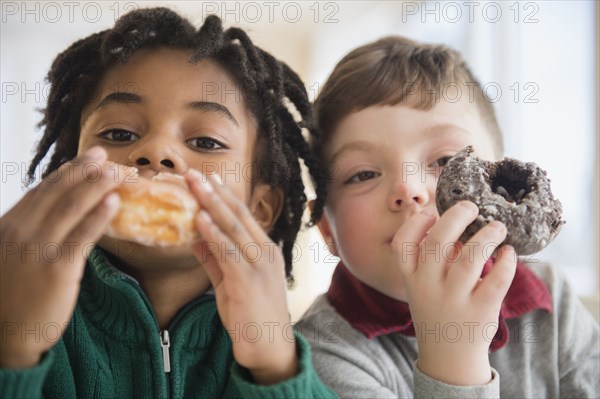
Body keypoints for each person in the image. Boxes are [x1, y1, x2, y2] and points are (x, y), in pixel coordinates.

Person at [0, 7, 337, 398]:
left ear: (259, 209)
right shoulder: (18, 301)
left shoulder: (280, 345)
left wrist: (274, 369)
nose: (156, 152)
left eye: (205, 142)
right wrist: (13, 347)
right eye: (119, 133)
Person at [297, 36, 599, 398]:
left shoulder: (550, 299)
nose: (408, 189)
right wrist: (455, 359)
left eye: (444, 161)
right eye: (363, 174)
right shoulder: (319, 355)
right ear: (328, 228)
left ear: (502, 186)